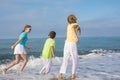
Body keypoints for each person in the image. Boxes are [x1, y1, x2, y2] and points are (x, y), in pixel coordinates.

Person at [57, 14, 81, 79]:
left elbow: (74, 30)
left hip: (66, 43)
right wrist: (77, 36)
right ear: (74, 19)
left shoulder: (68, 25)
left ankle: (60, 74)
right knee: (75, 59)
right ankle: (73, 75)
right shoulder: (74, 24)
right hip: (72, 43)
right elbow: (76, 27)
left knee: (65, 60)